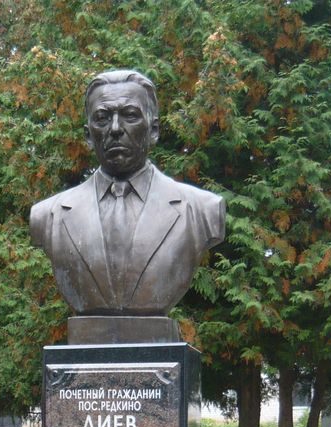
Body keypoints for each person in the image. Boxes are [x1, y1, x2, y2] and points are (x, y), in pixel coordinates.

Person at [28, 69, 225, 316]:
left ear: (153, 130)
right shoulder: (49, 215)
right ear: (88, 135)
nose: (115, 129)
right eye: (102, 118)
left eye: (130, 115)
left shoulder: (201, 209)